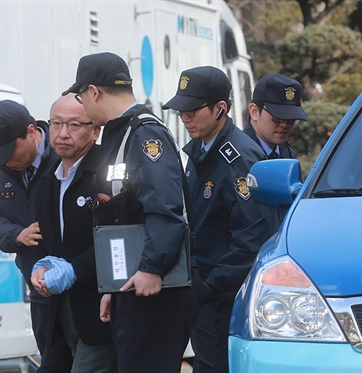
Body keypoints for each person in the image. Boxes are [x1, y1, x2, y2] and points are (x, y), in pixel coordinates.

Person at [62, 51, 192, 372]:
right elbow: (124, 214)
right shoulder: (120, 132)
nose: (82, 105)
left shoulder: (144, 134)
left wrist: (152, 268)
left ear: (94, 92)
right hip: (134, 285)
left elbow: (165, 208)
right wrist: (114, 287)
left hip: (155, 286)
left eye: (81, 97)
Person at [162, 66, 278, 373]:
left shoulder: (239, 158)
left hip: (224, 296)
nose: (184, 117)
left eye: (191, 110)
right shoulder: (201, 149)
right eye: (180, 110)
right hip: (203, 291)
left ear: (220, 109)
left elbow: (254, 236)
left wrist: (210, 288)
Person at [0, 100, 72, 368]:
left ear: (32, 132)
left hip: (79, 290)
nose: (6, 160)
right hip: (39, 293)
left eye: (10, 151)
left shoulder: (63, 155)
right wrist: (17, 235)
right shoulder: (2, 168)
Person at [30, 93, 117, 372]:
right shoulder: (47, 176)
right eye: (56, 124)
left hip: (98, 310)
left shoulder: (107, 171)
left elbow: (117, 240)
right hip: (57, 314)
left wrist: (73, 269)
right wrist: (41, 267)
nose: (62, 133)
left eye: (74, 125)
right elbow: (44, 237)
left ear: (95, 131)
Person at [244, 73, 307, 160]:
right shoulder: (239, 157)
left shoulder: (288, 154)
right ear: (254, 112)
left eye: (291, 119)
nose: (285, 125)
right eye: (277, 117)